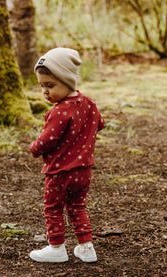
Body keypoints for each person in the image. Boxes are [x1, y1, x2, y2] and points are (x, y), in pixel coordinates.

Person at [29, 47, 105, 263]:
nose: (45, 91)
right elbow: (100, 123)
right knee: (77, 206)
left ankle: (56, 247)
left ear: (68, 81)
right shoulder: (89, 103)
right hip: (84, 171)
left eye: (50, 85)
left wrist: (34, 147)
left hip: (59, 171)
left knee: (53, 208)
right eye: (42, 86)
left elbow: (48, 140)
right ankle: (86, 247)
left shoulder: (59, 111)